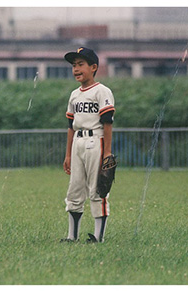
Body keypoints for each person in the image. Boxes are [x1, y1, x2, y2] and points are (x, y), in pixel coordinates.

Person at [61, 47, 115, 243]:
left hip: (96, 141)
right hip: (78, 142)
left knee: (97, 189)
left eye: (80, 64)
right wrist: (68, 155)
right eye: (74, 65)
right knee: (74, 190)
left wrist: (107, 152)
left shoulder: (102, 91)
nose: (76, 69)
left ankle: (98, 237)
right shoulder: (74, 95)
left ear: (93, 67)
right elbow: (70, 126)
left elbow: (107, 122)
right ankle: (71, 236)